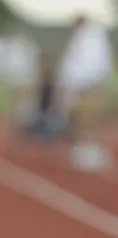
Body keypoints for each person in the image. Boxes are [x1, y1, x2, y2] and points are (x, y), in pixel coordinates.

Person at [55, 15, 114, 170]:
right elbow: (71, 63)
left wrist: (95, 80)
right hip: (80, 85)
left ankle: (91, 146)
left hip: (90, 84)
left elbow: (98, 61)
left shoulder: (94, 37)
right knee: (80, 117)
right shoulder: (79, 38)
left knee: (91, 116)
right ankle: (82, 146)